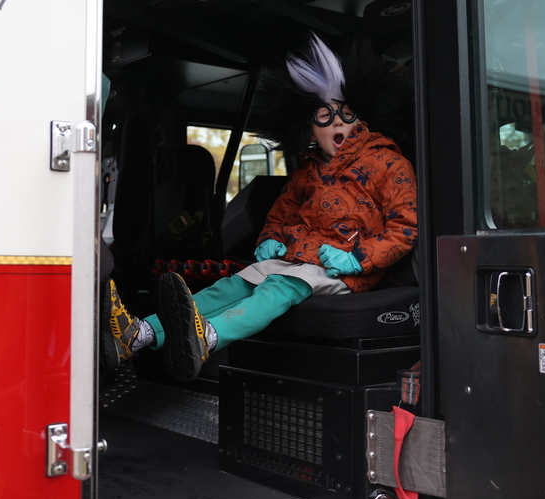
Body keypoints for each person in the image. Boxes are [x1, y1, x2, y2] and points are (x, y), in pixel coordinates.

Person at [103, 33, 418, 382]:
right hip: (297, 258)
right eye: (325, 116)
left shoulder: (389, 163)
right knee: (231, 286)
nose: (338, 122)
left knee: (277, 288)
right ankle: (139, 334)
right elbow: (280, 215)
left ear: (361, 117)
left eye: (346, 113)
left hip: (343, 269)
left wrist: (358, 257)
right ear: (311, 128)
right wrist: (271, 238)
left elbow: (404, 228)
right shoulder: (307, 170)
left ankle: (208, 337)